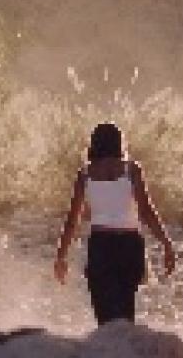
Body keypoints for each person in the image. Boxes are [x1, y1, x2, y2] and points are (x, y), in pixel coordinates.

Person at [54, 123, 176, 325]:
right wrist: (166, 244)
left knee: (104, 316)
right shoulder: (131, 170)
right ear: (119, 144)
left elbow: (72, 220)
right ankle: (125, 354)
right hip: (130, 245)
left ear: (94, 145)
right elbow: (146, 211)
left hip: (101, 246)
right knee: (126, 312)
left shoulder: (85, 174)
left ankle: (106, 353)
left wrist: (61, 256)